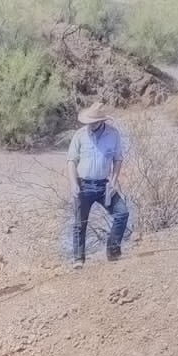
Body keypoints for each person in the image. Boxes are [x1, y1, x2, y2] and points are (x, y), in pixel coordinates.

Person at [65, 102, 130, 268]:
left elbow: (118, 159)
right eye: (89, 122)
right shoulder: (79, 135)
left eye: (94, 122)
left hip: (104, 186)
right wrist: (73, 183)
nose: (91, 125)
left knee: (122, 213)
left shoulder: (113, 135)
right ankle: (78, 259)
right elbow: (71, 160)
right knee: (80, 223)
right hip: (83, 185)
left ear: (102, 121)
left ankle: (113, 251)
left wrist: (114, 181)